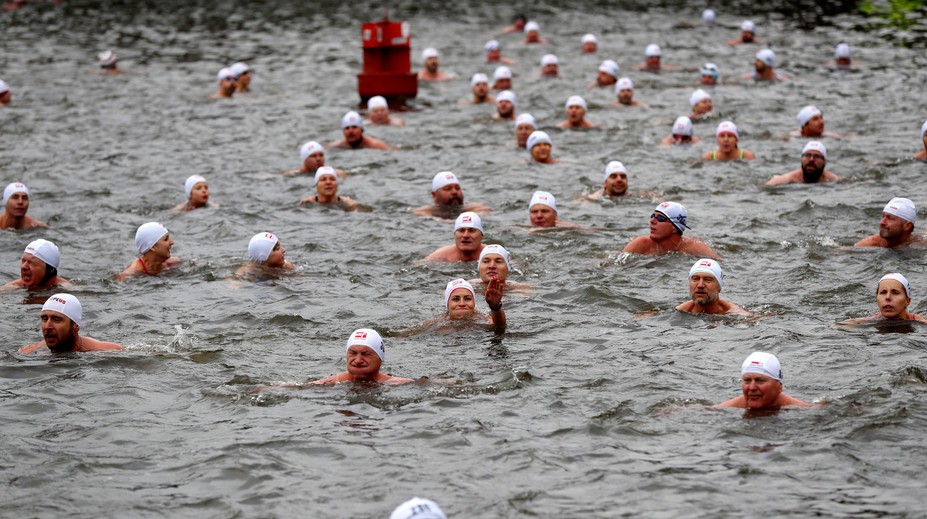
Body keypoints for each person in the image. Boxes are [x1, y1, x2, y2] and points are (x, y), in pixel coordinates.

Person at [19, 294, 124, 354]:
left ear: (75, 327)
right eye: (44, 318)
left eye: (56, 319)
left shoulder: (106, 351)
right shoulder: (28, 351)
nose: (47, 326)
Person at [309, 329, 413, 385]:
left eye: (366, 354)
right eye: (353, 353)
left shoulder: (397, 384)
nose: (358, 360)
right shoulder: (329, 383)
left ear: (380, 358)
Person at [714, 352, 811, 410]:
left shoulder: (801, 410)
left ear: (779, 386)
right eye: (747, 380)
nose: (752, 387)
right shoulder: (725, 409)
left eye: (760, 380)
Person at [623, 201, 720, 259]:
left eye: (660, 218)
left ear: (675, 227)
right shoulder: (641, 244)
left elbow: (719, 263)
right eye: (652, 216)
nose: (652, 220)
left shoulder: (694, 247)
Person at [842, 273, 927, 325]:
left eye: (895, 292)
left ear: (907, 301)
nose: (887, 297)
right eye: (883, 292)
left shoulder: (920, 322)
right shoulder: (871, 320)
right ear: (877, 299)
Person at [676, 258, 748, 315]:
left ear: (719, 287)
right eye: (695, 279)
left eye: (707, 280)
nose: (700, 285)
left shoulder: (736, 315)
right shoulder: (678, 313)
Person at [413, 171, 490, 220]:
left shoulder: (472, 208)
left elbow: (483, 211)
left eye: (457, 188)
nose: (454, 192)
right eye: (447, 189)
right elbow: (419, 213)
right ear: (434, 195)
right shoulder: (427, 211)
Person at [854, 197, 925, 248]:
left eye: (890, 218)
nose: (882, 222)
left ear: (907, 226)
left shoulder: (921, 243)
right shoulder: (871, 244)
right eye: (883, 217)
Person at [765, 141, 841, 186]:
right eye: (807, 155)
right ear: (801, 158)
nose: (811, 159)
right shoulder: (788, 179)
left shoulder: (834, 180)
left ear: (824, 161)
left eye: (817, 156)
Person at [2, 239, 68, 289]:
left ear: (49, 269)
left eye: (31, 263)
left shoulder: (65, 290)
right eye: (23, 261)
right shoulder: (13, 287)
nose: (23, 267)